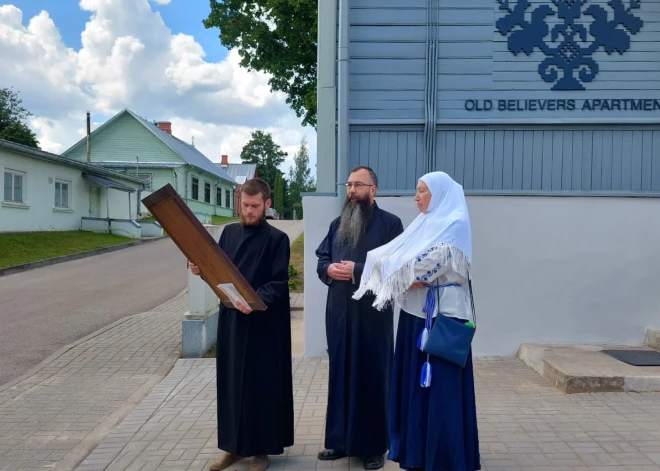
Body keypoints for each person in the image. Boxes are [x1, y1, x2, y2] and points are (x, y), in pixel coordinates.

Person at [353, 171, 480, 471]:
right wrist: (401, 271)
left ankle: (444, 458)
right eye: (416, 190)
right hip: (415, 318)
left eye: (422, 191)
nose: (415, 197)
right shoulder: (423, 224)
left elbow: (420, 269)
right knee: (416, 390)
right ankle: (416, 453)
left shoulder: (454, 226)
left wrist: (402, 271)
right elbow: (399, 263)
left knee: (441, 391)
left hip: (442, 320)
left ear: (439, 195)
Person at [189, 178, 294, 471]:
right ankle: (233, 448)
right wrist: (200, 270)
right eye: (245, 205)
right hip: (233, 321)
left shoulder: (278, 240)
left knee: (261, 386)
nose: (248, 211)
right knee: (233, 385)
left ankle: (261, 451)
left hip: (264, 324)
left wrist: (255, 300)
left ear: (267, 205)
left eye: (254, 206)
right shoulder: (229, 233)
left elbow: (279, 283)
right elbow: (217, 271)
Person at [315, 166, 404, 470]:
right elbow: (322, 260)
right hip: (339, 314)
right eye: (349, 185)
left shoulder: (390, 225)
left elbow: (396, 270)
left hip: (372, 317)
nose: (351, 191)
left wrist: (355, 271)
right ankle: (339, 441)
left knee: (372, 377)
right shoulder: (336, 224)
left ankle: (374, 447)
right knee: (340, 374)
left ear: (373, 190)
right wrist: (327, 270)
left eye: (358, 185)